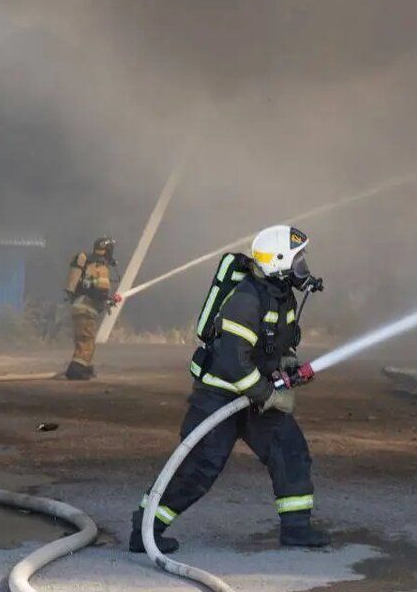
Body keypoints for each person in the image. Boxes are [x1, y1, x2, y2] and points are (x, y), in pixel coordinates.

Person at [130, 224, 329, 552]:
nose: (303, 266)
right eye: (297, 260)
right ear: (278, 261)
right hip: (219, 396)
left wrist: (288, 367)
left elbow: (277, 343)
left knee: (289, 450)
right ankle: (144, 531)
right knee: (199, 466)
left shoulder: (283, 296)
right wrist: (268, 395)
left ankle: (296, 528)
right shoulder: (246, 299)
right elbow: (233, 362)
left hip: (255, 393)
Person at [63, 236, 120, 381]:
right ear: (107, 250)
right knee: (86, 342)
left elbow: (91, 290)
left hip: (79, 308)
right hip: (86, 310)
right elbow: (101, 292)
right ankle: (76, 370)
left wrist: (107, 300)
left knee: (83, 340)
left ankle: (84, 368)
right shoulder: (100, 266)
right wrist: (109, 300)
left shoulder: (89, 263)